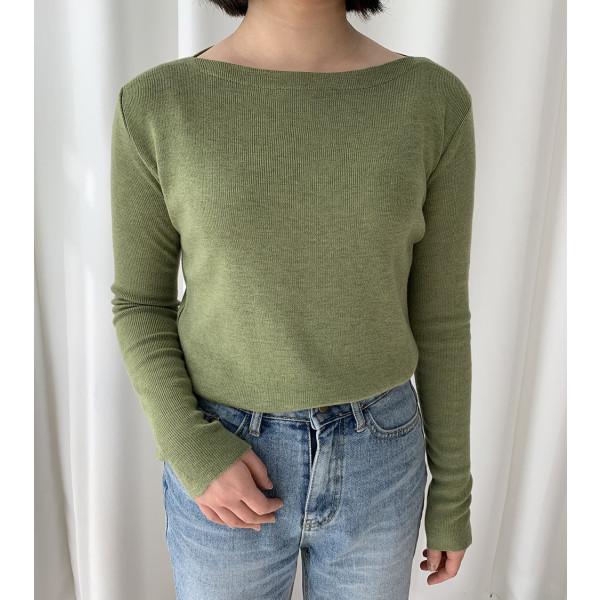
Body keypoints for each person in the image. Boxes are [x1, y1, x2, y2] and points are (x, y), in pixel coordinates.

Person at [110, 0, 476, 598]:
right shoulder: (158, 104)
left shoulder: (432, 101)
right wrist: (190, 446)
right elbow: (140, 304)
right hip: (224, 450)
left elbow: (440, 317)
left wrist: (453, 493)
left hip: (381, 459)